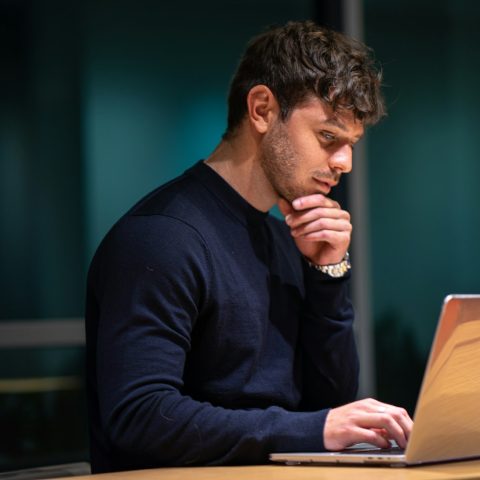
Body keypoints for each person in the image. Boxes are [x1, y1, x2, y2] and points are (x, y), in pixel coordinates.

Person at [85, 20, 413, 473]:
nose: (344, 163)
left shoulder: (286, 240)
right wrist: (310, 430)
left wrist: (327, 275)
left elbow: (330, 405)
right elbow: (140, 417)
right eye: (328, 137)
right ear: (261, 109)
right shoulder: (161, 237)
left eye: (350, 144)